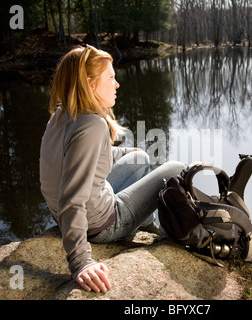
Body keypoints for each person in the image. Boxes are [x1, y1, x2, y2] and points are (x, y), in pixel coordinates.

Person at [39, 45, 185, 293]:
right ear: (91, 84)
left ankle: (144, 219)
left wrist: (128, 152)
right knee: (177, 168)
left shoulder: (62, 115)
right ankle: (142, 222)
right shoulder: (92, 125)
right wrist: (80, 262)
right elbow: (71, 200)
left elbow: (79, 157)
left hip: (75, 211)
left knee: (141, 158)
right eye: (111, 78)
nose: (117, 84)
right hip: (101, 224)